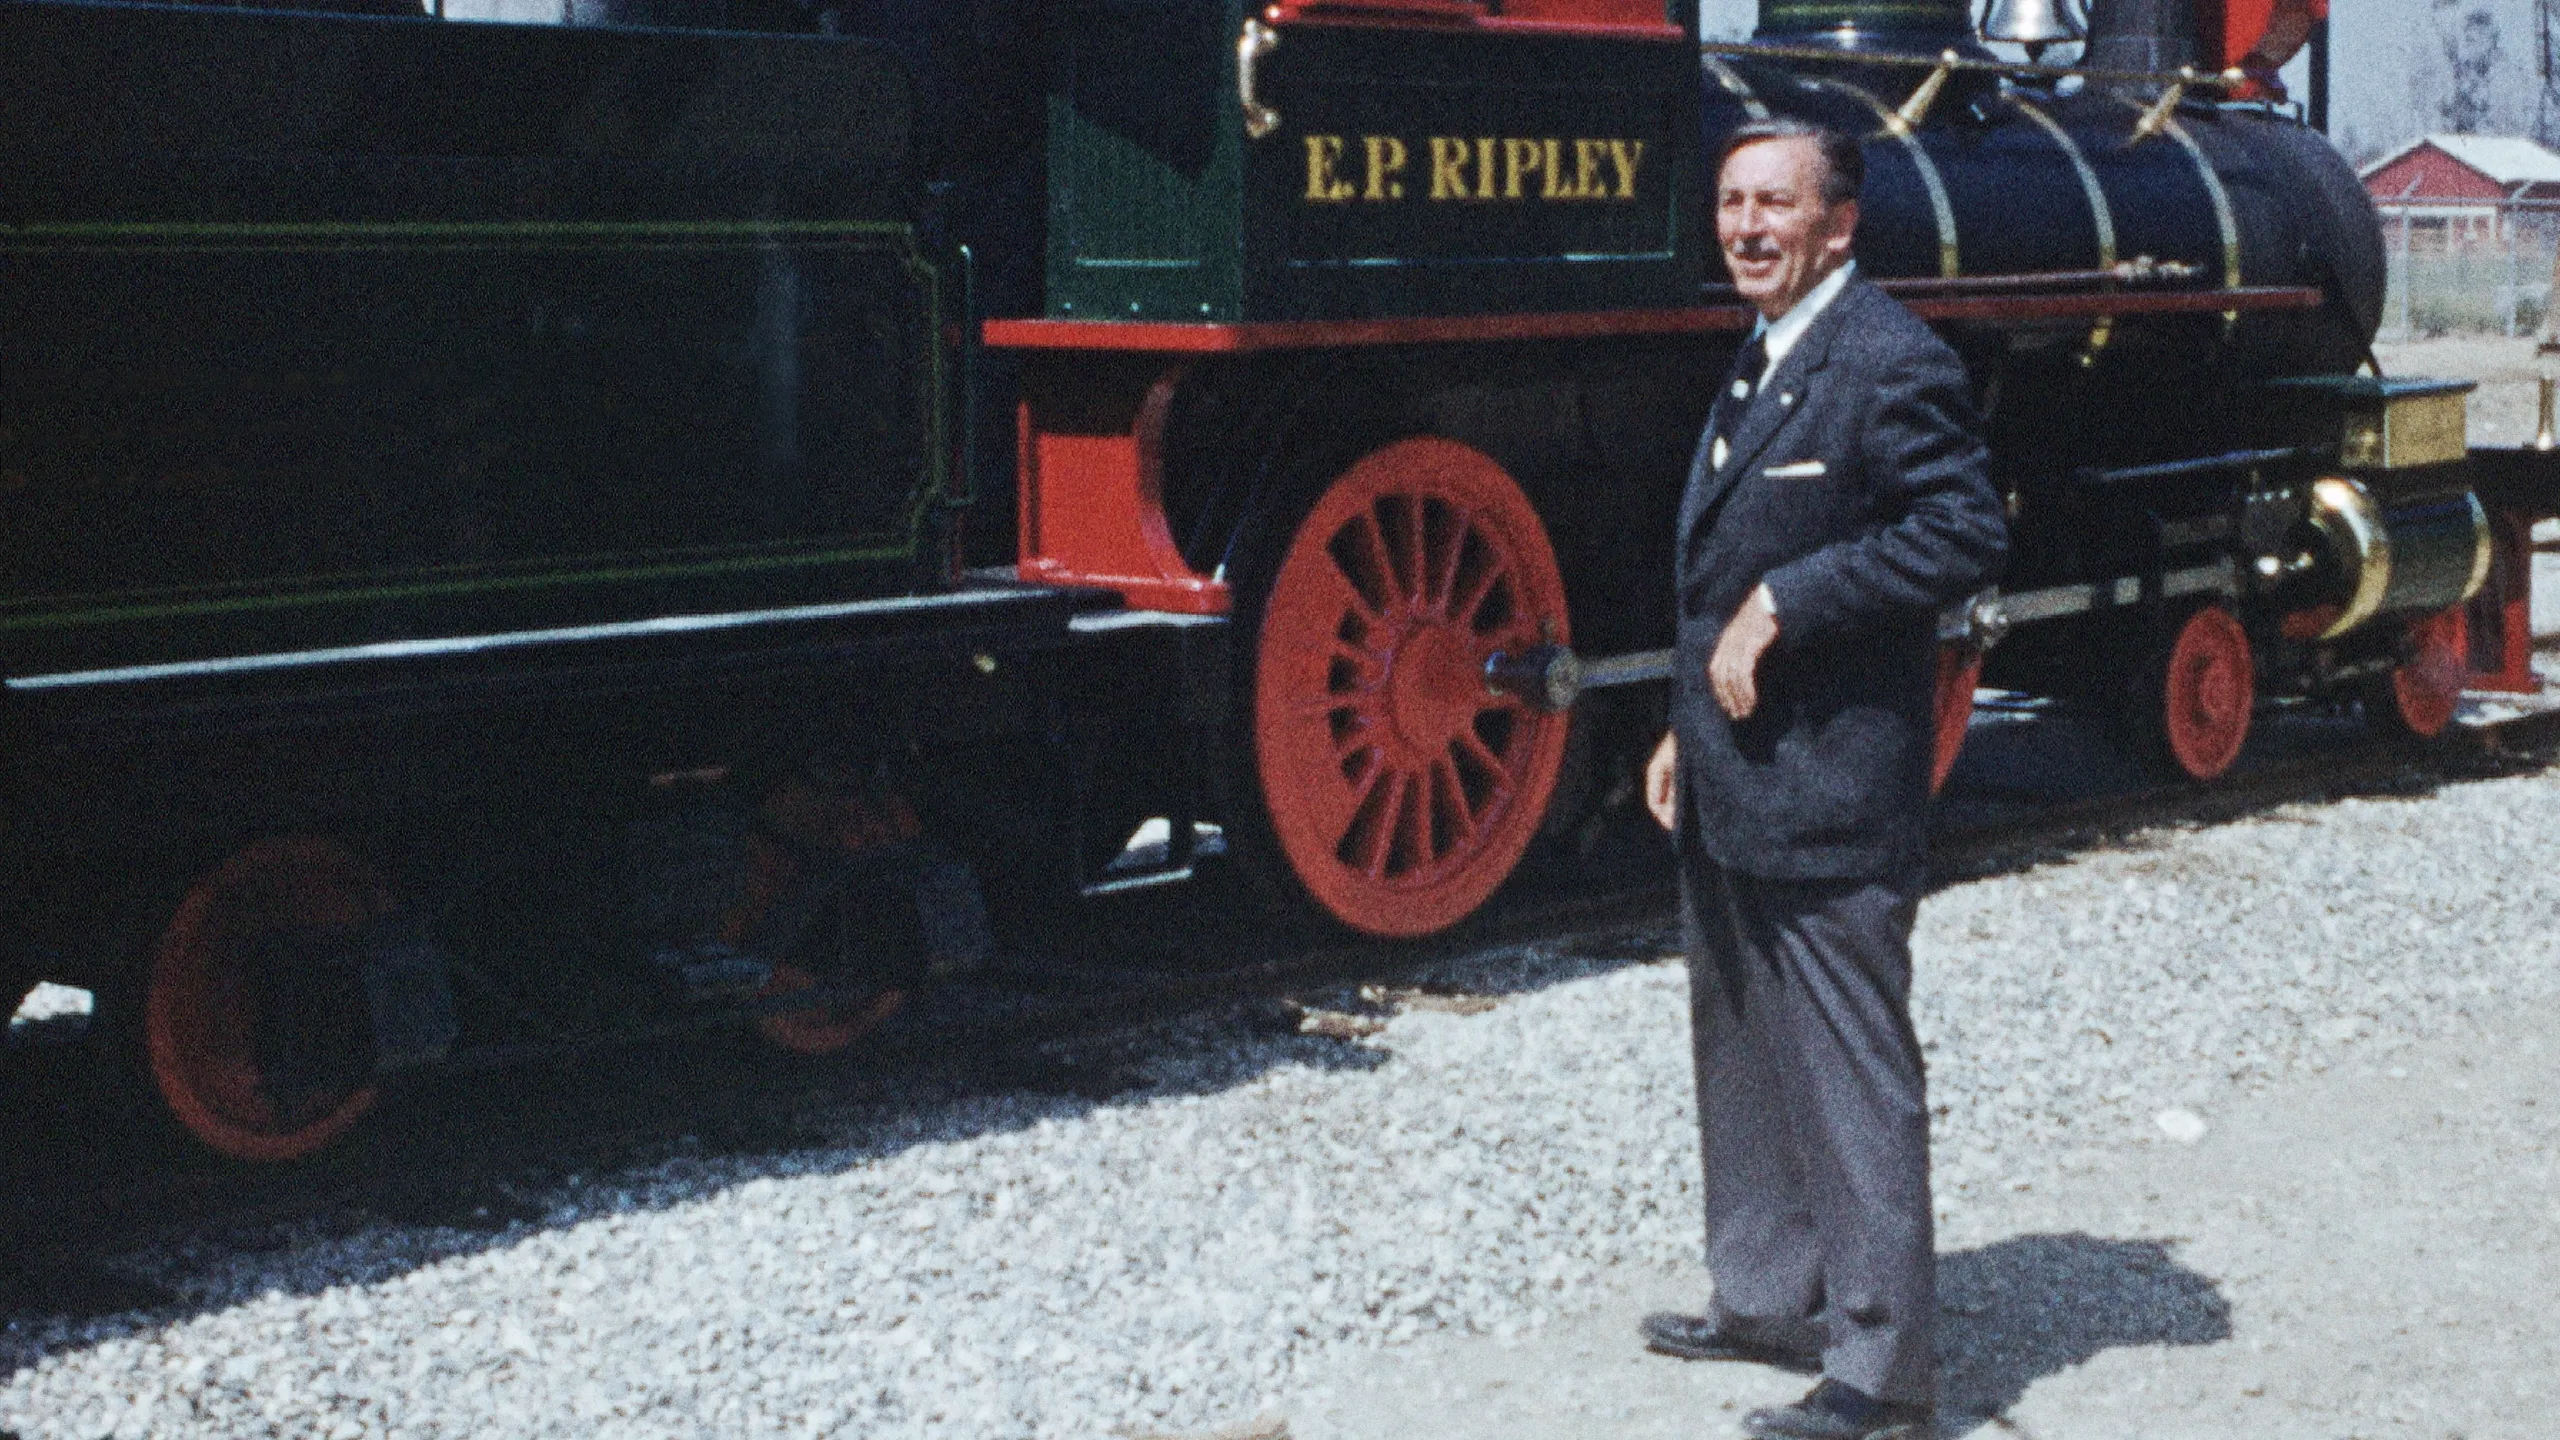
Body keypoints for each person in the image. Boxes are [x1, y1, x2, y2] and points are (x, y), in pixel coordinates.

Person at [1636, 118, 2007, 1440]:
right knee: (1739, 1042)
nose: (1745, 227)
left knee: (1849, 1069)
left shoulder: (1887, 356)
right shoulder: (1765, 353)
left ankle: (1881, 1373)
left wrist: (1793, 598)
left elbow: (1964, 528)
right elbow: (1716, 571)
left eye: (1774, 205)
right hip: (1741, 765)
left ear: (1838, 224)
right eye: (1732, 200)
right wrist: (1687, 720)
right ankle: (1764, 1296)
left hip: (1834, 776)